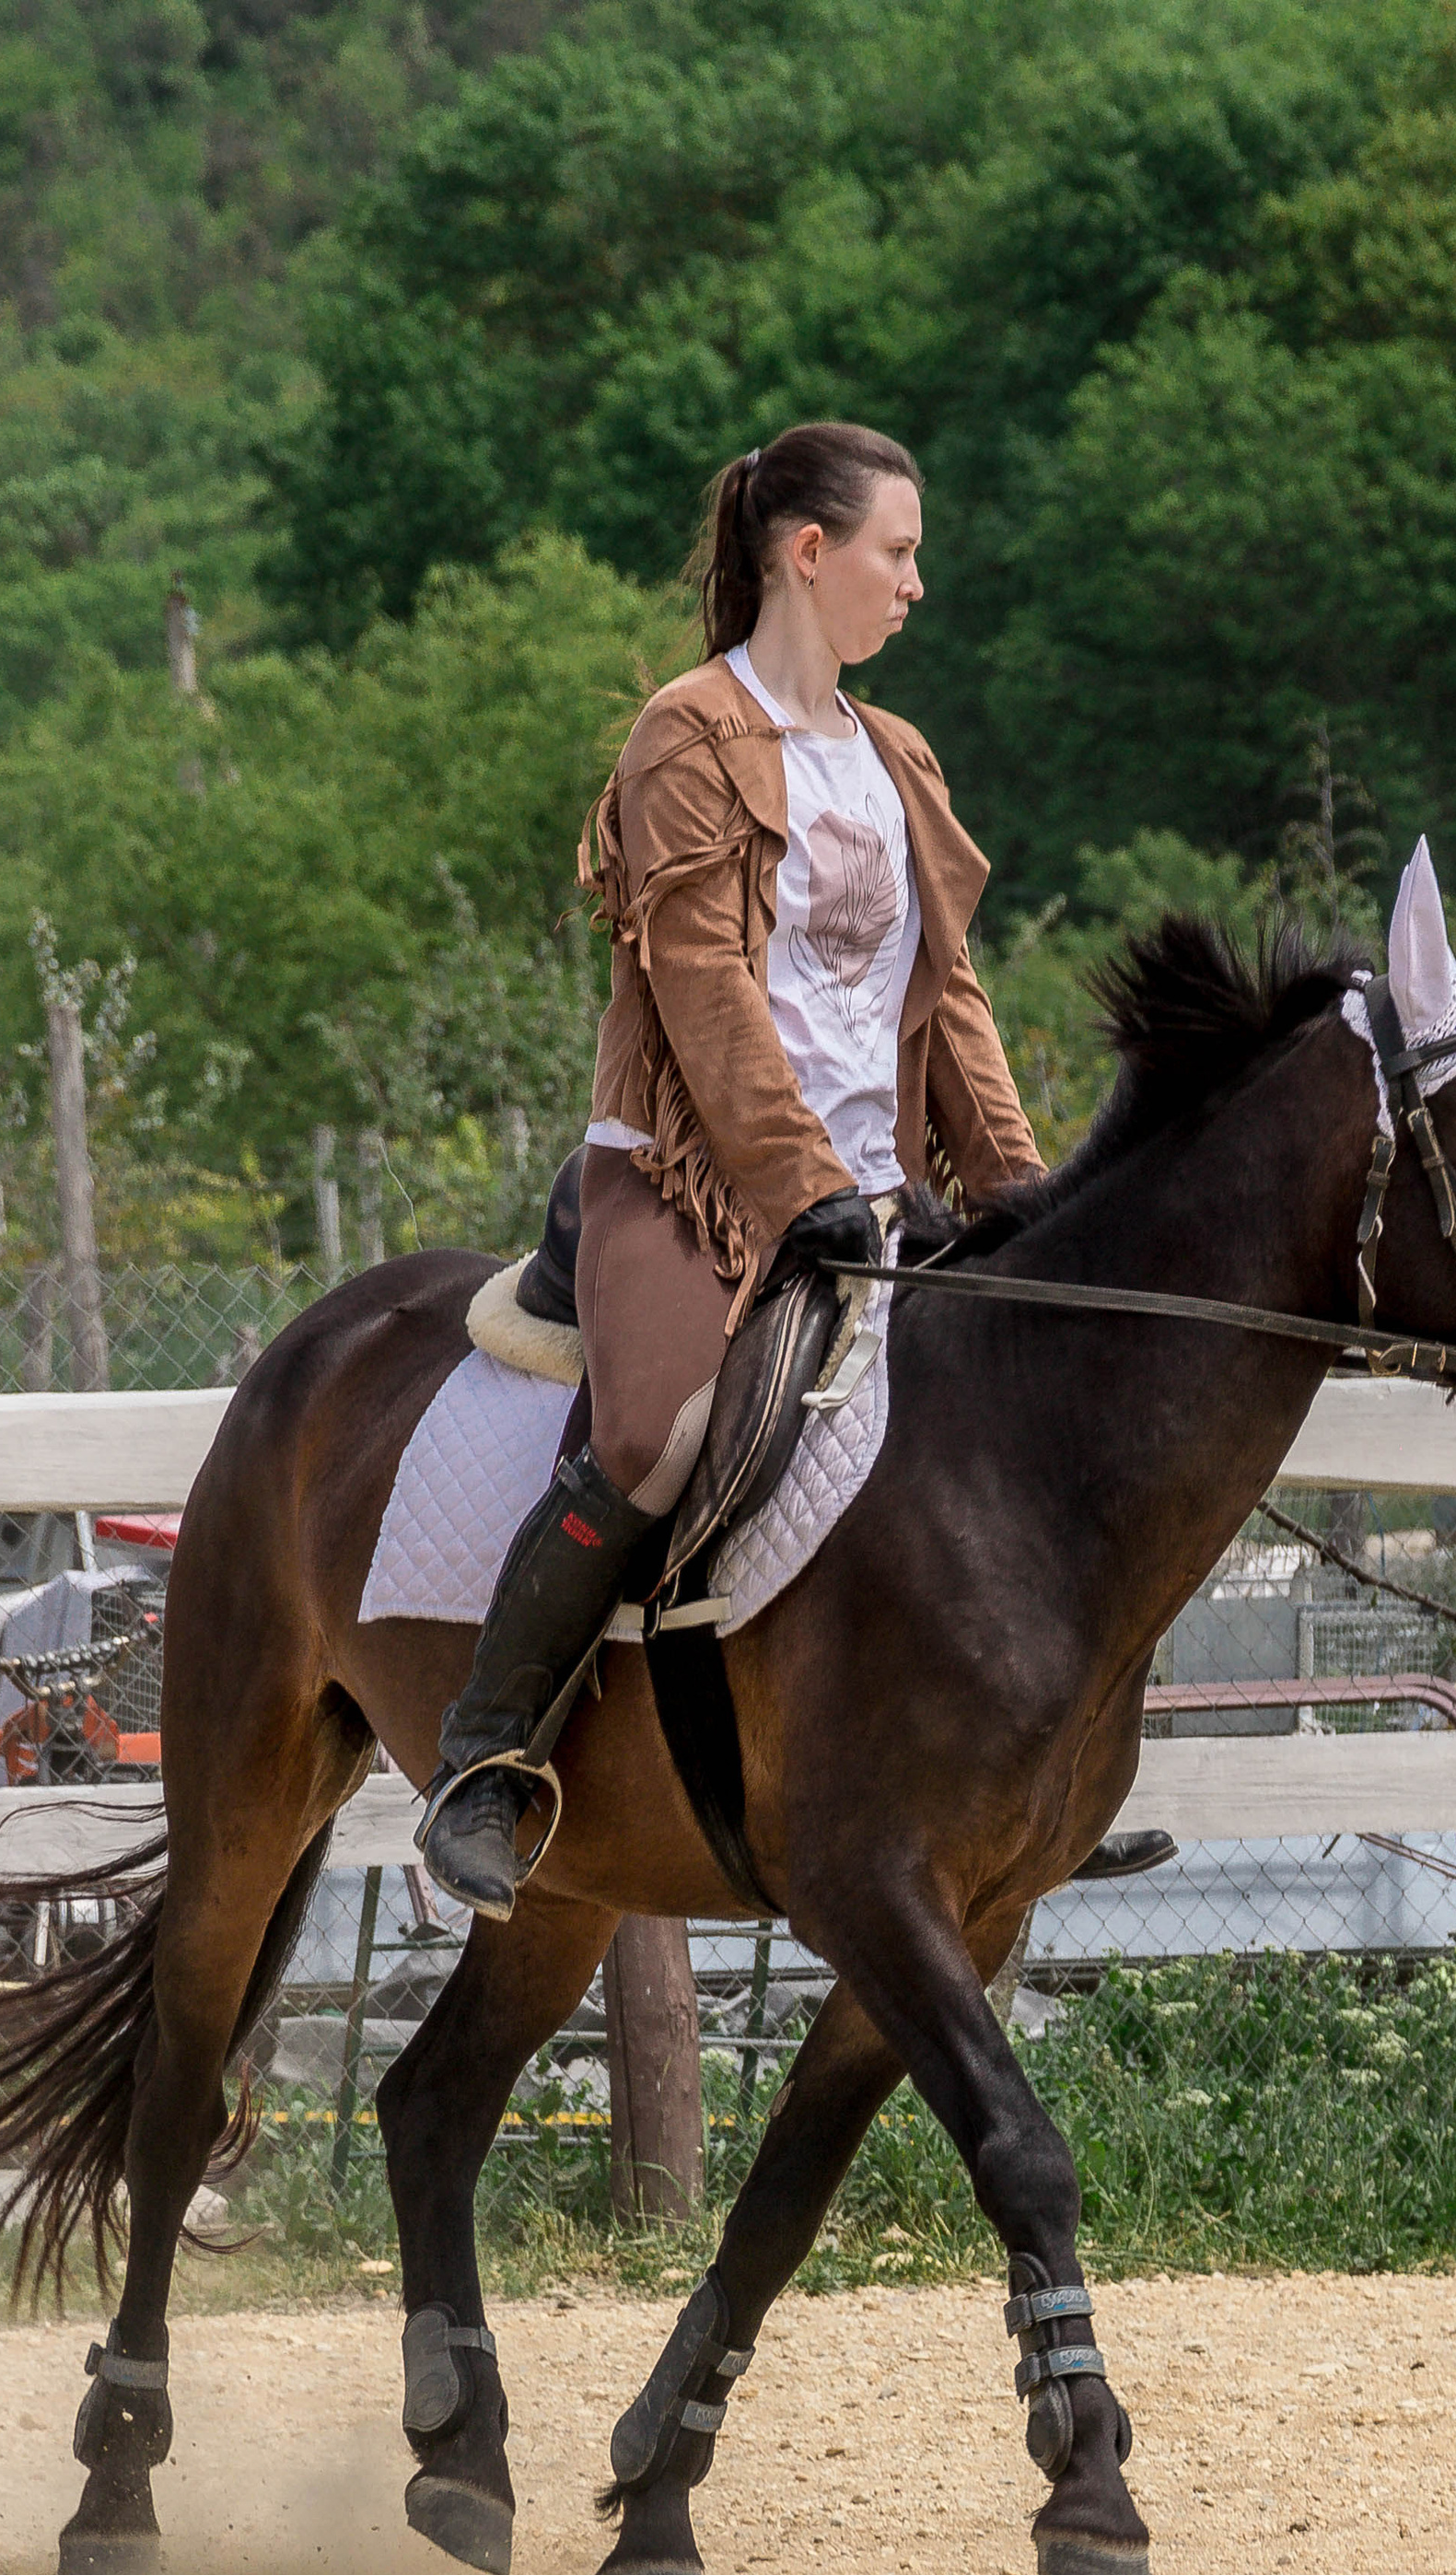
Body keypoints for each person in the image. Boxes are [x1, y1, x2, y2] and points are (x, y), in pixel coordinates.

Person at [418, 421, 1046, 1918]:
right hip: (692, 1187)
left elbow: (943, 999)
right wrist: (795, 1187)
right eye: (897, 553)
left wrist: (1023, 1195)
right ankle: (486, 1752)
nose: (916, 584)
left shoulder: (896, 755)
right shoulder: (685, 735)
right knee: (659, 1434)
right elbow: (702, 985)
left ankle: (1014, 1780)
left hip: (869, 1195)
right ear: (807, 553)